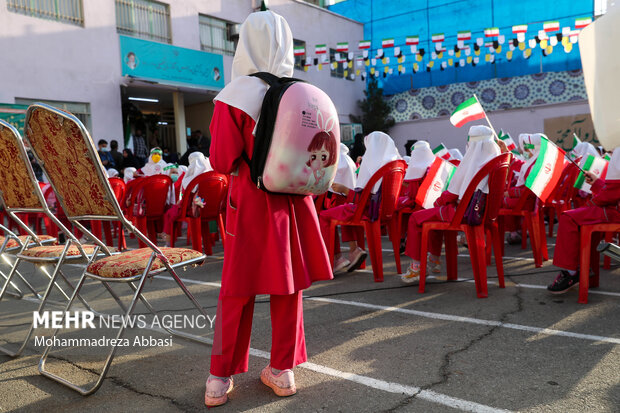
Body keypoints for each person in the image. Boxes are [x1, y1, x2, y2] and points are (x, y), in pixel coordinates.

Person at [205, 11, 333, 407]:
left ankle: (219, 378)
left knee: (235, 291)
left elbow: (222, 159)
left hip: (250, 201)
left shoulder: (235, 96)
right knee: (287, 286)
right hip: (294, 204)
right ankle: (282, 370)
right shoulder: (305, 94)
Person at [401, 125, 502, 283]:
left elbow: (453, 193)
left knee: (416, 218)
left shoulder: (473, 161)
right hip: (483, 212)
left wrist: (438, 201)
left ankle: (416, 267)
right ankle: (433, 260)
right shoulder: (497, 160)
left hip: (462, 213)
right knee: (431, 217)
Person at [319, 131, 401, 274]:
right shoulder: (394, 164)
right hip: (386, 211)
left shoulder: (373, 165)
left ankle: (332, 260)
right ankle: (353, 251)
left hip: (369, 212)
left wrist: (345, 190)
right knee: (345, 210)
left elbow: (363, 198)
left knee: (324, 216)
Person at [547, 147, 620, 293]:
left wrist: (591, 203)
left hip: (615, 211)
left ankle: (572, 273)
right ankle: (587, 270)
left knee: (569, 217)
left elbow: (614, 191)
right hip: (614, 208)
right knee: (580, 217)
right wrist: (598, 183)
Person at [160, 152, 213, 244]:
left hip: (192, 210)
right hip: (212, 208)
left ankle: (168, 242)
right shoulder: (212, 175)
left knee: (169, 213)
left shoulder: (190, 178)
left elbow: (185, 197)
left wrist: (179, 204)